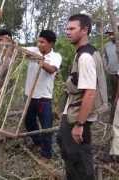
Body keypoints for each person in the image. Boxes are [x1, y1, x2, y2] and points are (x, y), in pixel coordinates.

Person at [57, 14, 107, 179]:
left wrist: (79, 124)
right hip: (73, 113)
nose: (68, 32)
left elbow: (90, 92)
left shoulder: (85, 57)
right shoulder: (85, 53)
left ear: (85, 30)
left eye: (72, 28)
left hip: (77, 117)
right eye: (67, 28)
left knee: (78, 160)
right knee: (69, 152)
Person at [24, 30, 62, 160]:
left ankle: (46, 154)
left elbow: (52, 70)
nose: (39, 44)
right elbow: (17, 49)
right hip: (29, 96)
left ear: (51, 43)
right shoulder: (33, 50)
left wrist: (40, 61)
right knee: (29, 123)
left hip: (44, 98)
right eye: (38, 41)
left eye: (42, 42)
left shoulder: (56, 56)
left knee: (46, 127)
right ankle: (38, 142)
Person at [104, 24, 119, 120]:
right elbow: (105, 57)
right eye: (109, 34)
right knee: (112, 95)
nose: (110, 36)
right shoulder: (107, 46)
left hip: (118, 73)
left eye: (112, 34)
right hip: (111, 73)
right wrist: (106, 67)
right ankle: (111, 116)